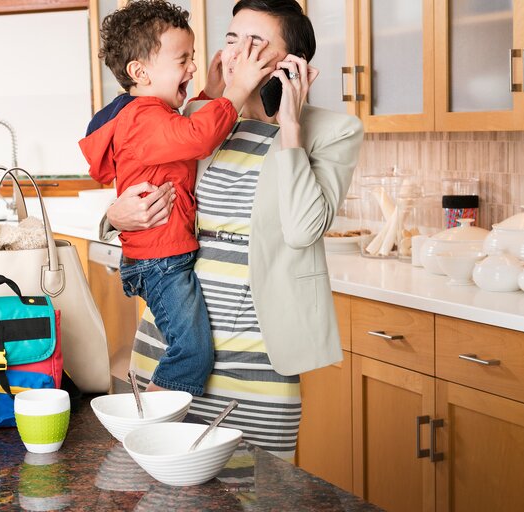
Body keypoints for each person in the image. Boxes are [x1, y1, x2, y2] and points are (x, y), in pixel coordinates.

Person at [101, 0, 364, 462]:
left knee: (252, 496)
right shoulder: (199, 118)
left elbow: (303, 229)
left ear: (292, 63)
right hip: (168, 352)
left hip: (256, 367)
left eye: (257, 43)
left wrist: (289, 127)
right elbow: (140, 190)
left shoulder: (333, 131)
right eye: (231, 39)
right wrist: (114, 219)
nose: (239, 53)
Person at [79, 0, 275, 396]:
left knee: (188, 349)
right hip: (161, 263)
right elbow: (197, 138)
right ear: (140, 72)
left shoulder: (149, 115)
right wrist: (235, 91)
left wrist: (212, 93)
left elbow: (182, 130)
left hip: (163, 259)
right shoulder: (141, 118)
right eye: (182, 59)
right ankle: (149, 424)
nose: (192, 67)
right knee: (192, 354)